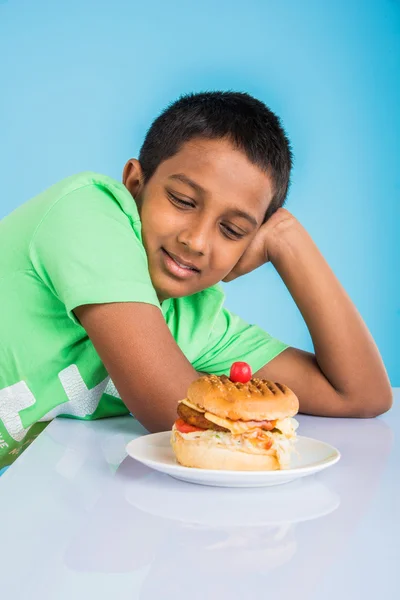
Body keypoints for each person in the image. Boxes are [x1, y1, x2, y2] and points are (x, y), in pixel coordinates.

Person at [0, 91, 392, 470]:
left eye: (233, 230)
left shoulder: (194, 318)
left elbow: (361, 393)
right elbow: (168, 406)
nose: (196, 240)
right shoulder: (86, 212)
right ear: (135, 183)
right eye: (183, 201)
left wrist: (289, 242)